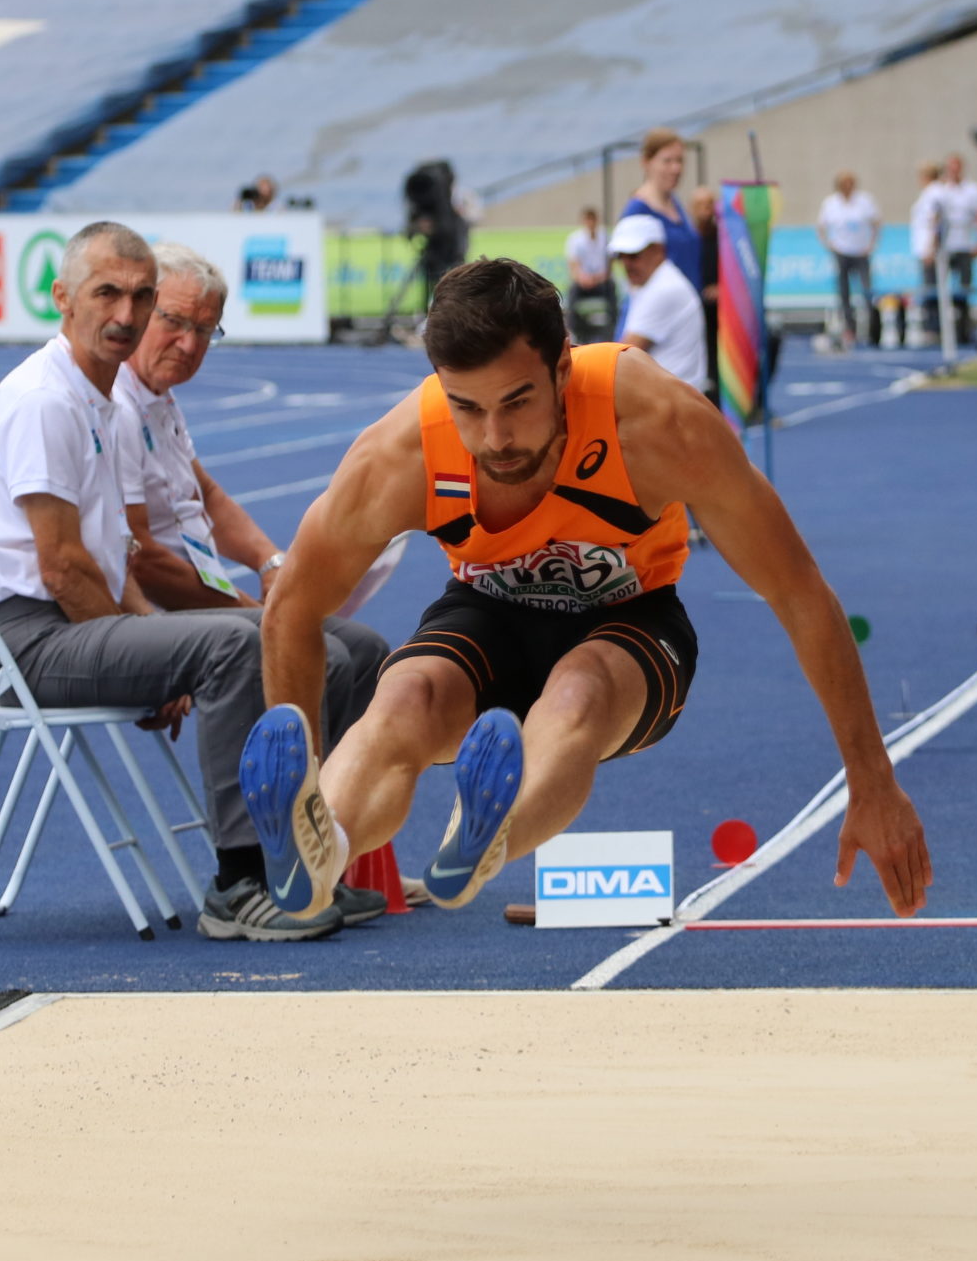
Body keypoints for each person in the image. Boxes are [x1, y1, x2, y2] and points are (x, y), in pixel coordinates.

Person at [236, 257, 932, 922]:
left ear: (563, 365)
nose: (495, 436)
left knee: (578, 688)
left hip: (630, 622)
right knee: (403, 698)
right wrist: (306, 755)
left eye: (517, 401)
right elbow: (291, 605)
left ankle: (484, 839)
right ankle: (318, 844)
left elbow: (799, 592)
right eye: (467, 409)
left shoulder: (658, 425)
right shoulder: (402, 454)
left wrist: (871, 778)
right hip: (488, 611)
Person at [0, 221, 340, 943]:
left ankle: (315, 850)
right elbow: (63, 569)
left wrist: (149, 637)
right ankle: (239, 881)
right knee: (230, 646)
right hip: (31, 647)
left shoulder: (98, 398)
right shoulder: (47, 401)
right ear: (61, 297)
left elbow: (113, 557)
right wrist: (147, 648)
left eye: (140, 296)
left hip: (74, 627)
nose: (126, 316)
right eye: (108, 294)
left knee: (287, 630)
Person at [110, 242, 397, 928]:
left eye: (205, 330)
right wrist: (257, 609)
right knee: (306, 650)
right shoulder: (115, 407)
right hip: (158, 610)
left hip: (201, 603)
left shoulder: (160, 402)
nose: (187, 342)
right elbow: (141, 559)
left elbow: (204, 494)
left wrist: (275, 566)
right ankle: (258, 869)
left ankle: (327, 846)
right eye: (175, 322)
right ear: (142, 309)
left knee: (366, 652)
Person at [606, 214, 707, 391]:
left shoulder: (663, 288)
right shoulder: (653, 282)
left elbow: (620, 358)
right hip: (671, 399)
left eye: (634, 255)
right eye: (621, 256)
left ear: (658, 250)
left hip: (671, 405)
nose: (626, 263)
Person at [619, 127, 702, 293]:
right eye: (667, 161)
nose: (676, 168)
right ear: (646, 162)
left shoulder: (676, 205)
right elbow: (633, 277)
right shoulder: (637, 211)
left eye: (679, 161)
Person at [817, 171, 881, 349]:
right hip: (842, 252)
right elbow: (821, 226)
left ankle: (873, 331)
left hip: (861, 253)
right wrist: (830, 245)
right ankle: (849, 330)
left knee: (867, 292)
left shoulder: (865, 200)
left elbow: (876, 223)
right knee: (844, 295)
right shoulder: (830, 203)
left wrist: (871, 244)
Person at [937, 154, 977, 334]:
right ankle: (942, 329)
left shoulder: (973, 191)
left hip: (964, 245)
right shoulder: (941, 190)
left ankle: (964, 329)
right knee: (942, 289)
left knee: (965, 288)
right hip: (945, 247)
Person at [564, 206, 615, 343]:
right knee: (573, 291)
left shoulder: (606, 237)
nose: (590, 223)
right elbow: (574, 266)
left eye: (592, 219)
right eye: (587, 220)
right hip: (583, 283)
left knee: (611, 289)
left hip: (601, 281)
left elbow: (609, 267)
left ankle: (613, 328)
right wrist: (583, 278)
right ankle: (574, 329)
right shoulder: (574, 239)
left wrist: (599, 278)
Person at [910, 162, 947, 342]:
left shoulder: (935, 192)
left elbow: (936, 221)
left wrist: (931, 247)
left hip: (929, 249)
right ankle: (933, 326)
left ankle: (934, 328)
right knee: (929, 287)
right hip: (924, 247)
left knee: (932, 289)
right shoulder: (929, 193)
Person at [689, 185, 722, 384]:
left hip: (720, 310)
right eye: (700, 205)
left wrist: (721, 288)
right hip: (694, 309)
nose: (706, 209)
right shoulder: (689, 240)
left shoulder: (723, 238)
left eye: (710, 204)